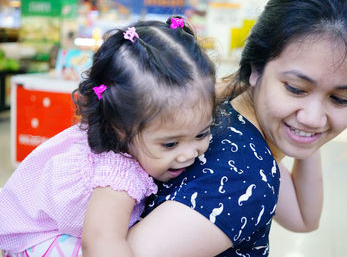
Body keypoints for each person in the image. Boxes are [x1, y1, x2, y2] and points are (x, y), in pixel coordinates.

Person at [126, 0, 347, 256]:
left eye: (340, 98)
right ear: (255, 69)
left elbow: (303, 218)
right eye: (296, 89)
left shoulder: (233, 123)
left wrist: (308, 133)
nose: (313, 116)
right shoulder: (243, 174)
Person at [0, 17, 216, 256]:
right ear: (119, 128)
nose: (189, 153)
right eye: (170, 144)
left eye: (202, 133)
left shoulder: (133, 127)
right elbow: (101, 243)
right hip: (35, 240)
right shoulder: (118, 175)